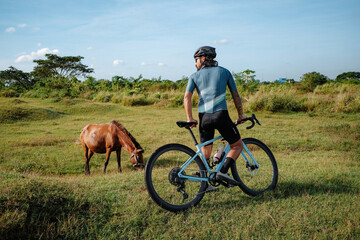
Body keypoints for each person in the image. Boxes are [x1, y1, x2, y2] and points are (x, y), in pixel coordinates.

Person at [184, 46, 247, 185]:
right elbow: (235, 95)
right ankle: (222, 173)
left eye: (196, 60)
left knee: (206, 152)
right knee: (237, 145)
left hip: (204, 118)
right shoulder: (224, 72)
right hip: (221, 115)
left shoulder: (194, 76)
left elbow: (187, 97)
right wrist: (240, 114)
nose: (195, 63)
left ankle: (205, 184)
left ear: (204, 59)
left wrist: (190, 118)